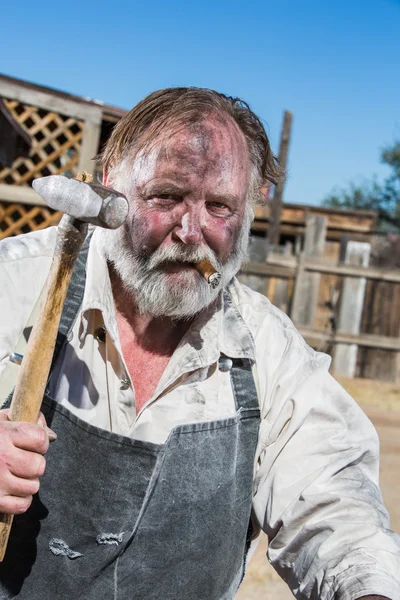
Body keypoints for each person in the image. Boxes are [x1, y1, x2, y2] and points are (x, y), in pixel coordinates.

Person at [0, 87, 399, 600]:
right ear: (110, 184)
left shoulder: (268, 352)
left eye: (219, 206)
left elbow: (337, 510)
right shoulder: (15, 286)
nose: (192, 233)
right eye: (166, 197)